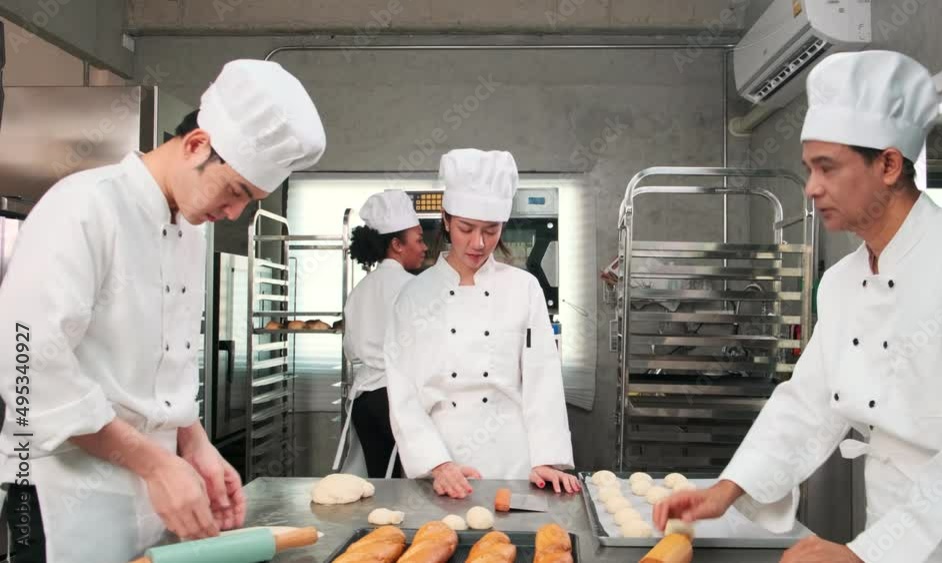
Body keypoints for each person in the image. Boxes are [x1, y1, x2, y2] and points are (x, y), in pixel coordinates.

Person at [654, 51, 942, 563]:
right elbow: (807, 402)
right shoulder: (841, 281)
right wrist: (726, 490)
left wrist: (867, 555)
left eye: (827, 167)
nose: (812, 187)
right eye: (809, 168)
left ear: (887, 164)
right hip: (886, 524)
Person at [0, 59, 325, 562]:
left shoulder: (189, 232)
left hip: (149, 498)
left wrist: (193, 443)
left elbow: (161, 368)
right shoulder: (84, 207)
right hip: (58, 494)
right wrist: (155, 464)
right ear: (197, 144)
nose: (235, 212)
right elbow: (26, 365)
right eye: (237, 190)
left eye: (252, 200)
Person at [385, 149, 580, 498]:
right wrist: (438, 464)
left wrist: (548, 457)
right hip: (440, 462)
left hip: (515, 460)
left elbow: (542, 377)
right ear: (445, 220)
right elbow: (403, 394)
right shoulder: (414, 297)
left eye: (491, 231)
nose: (478, 243)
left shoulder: (524, 289)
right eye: (466, 228)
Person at [341, 190, 427, 478]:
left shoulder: (360, 290)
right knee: (410, 483)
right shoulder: (413, 288)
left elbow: (350, 350)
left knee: (379, 483)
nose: (424, 247)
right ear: (396, 244)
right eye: (418, 239)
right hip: (395, 398)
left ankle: (377, 524)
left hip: (364, 400)